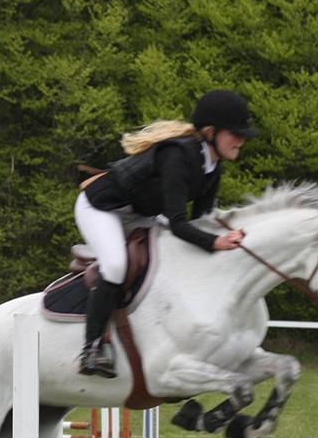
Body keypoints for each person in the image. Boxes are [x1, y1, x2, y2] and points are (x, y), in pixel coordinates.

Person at [74, 89, 257, 378]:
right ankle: (91, 348)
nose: (242, 139)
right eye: (235, 133)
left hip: (141, 213)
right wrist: (215, 242)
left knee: (172, 259)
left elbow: (199, 222)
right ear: (211, 132)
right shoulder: (178, 155)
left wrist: (226, 235)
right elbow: (179, 223)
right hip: (102, 207)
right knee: (116, 265)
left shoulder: (213, 166)